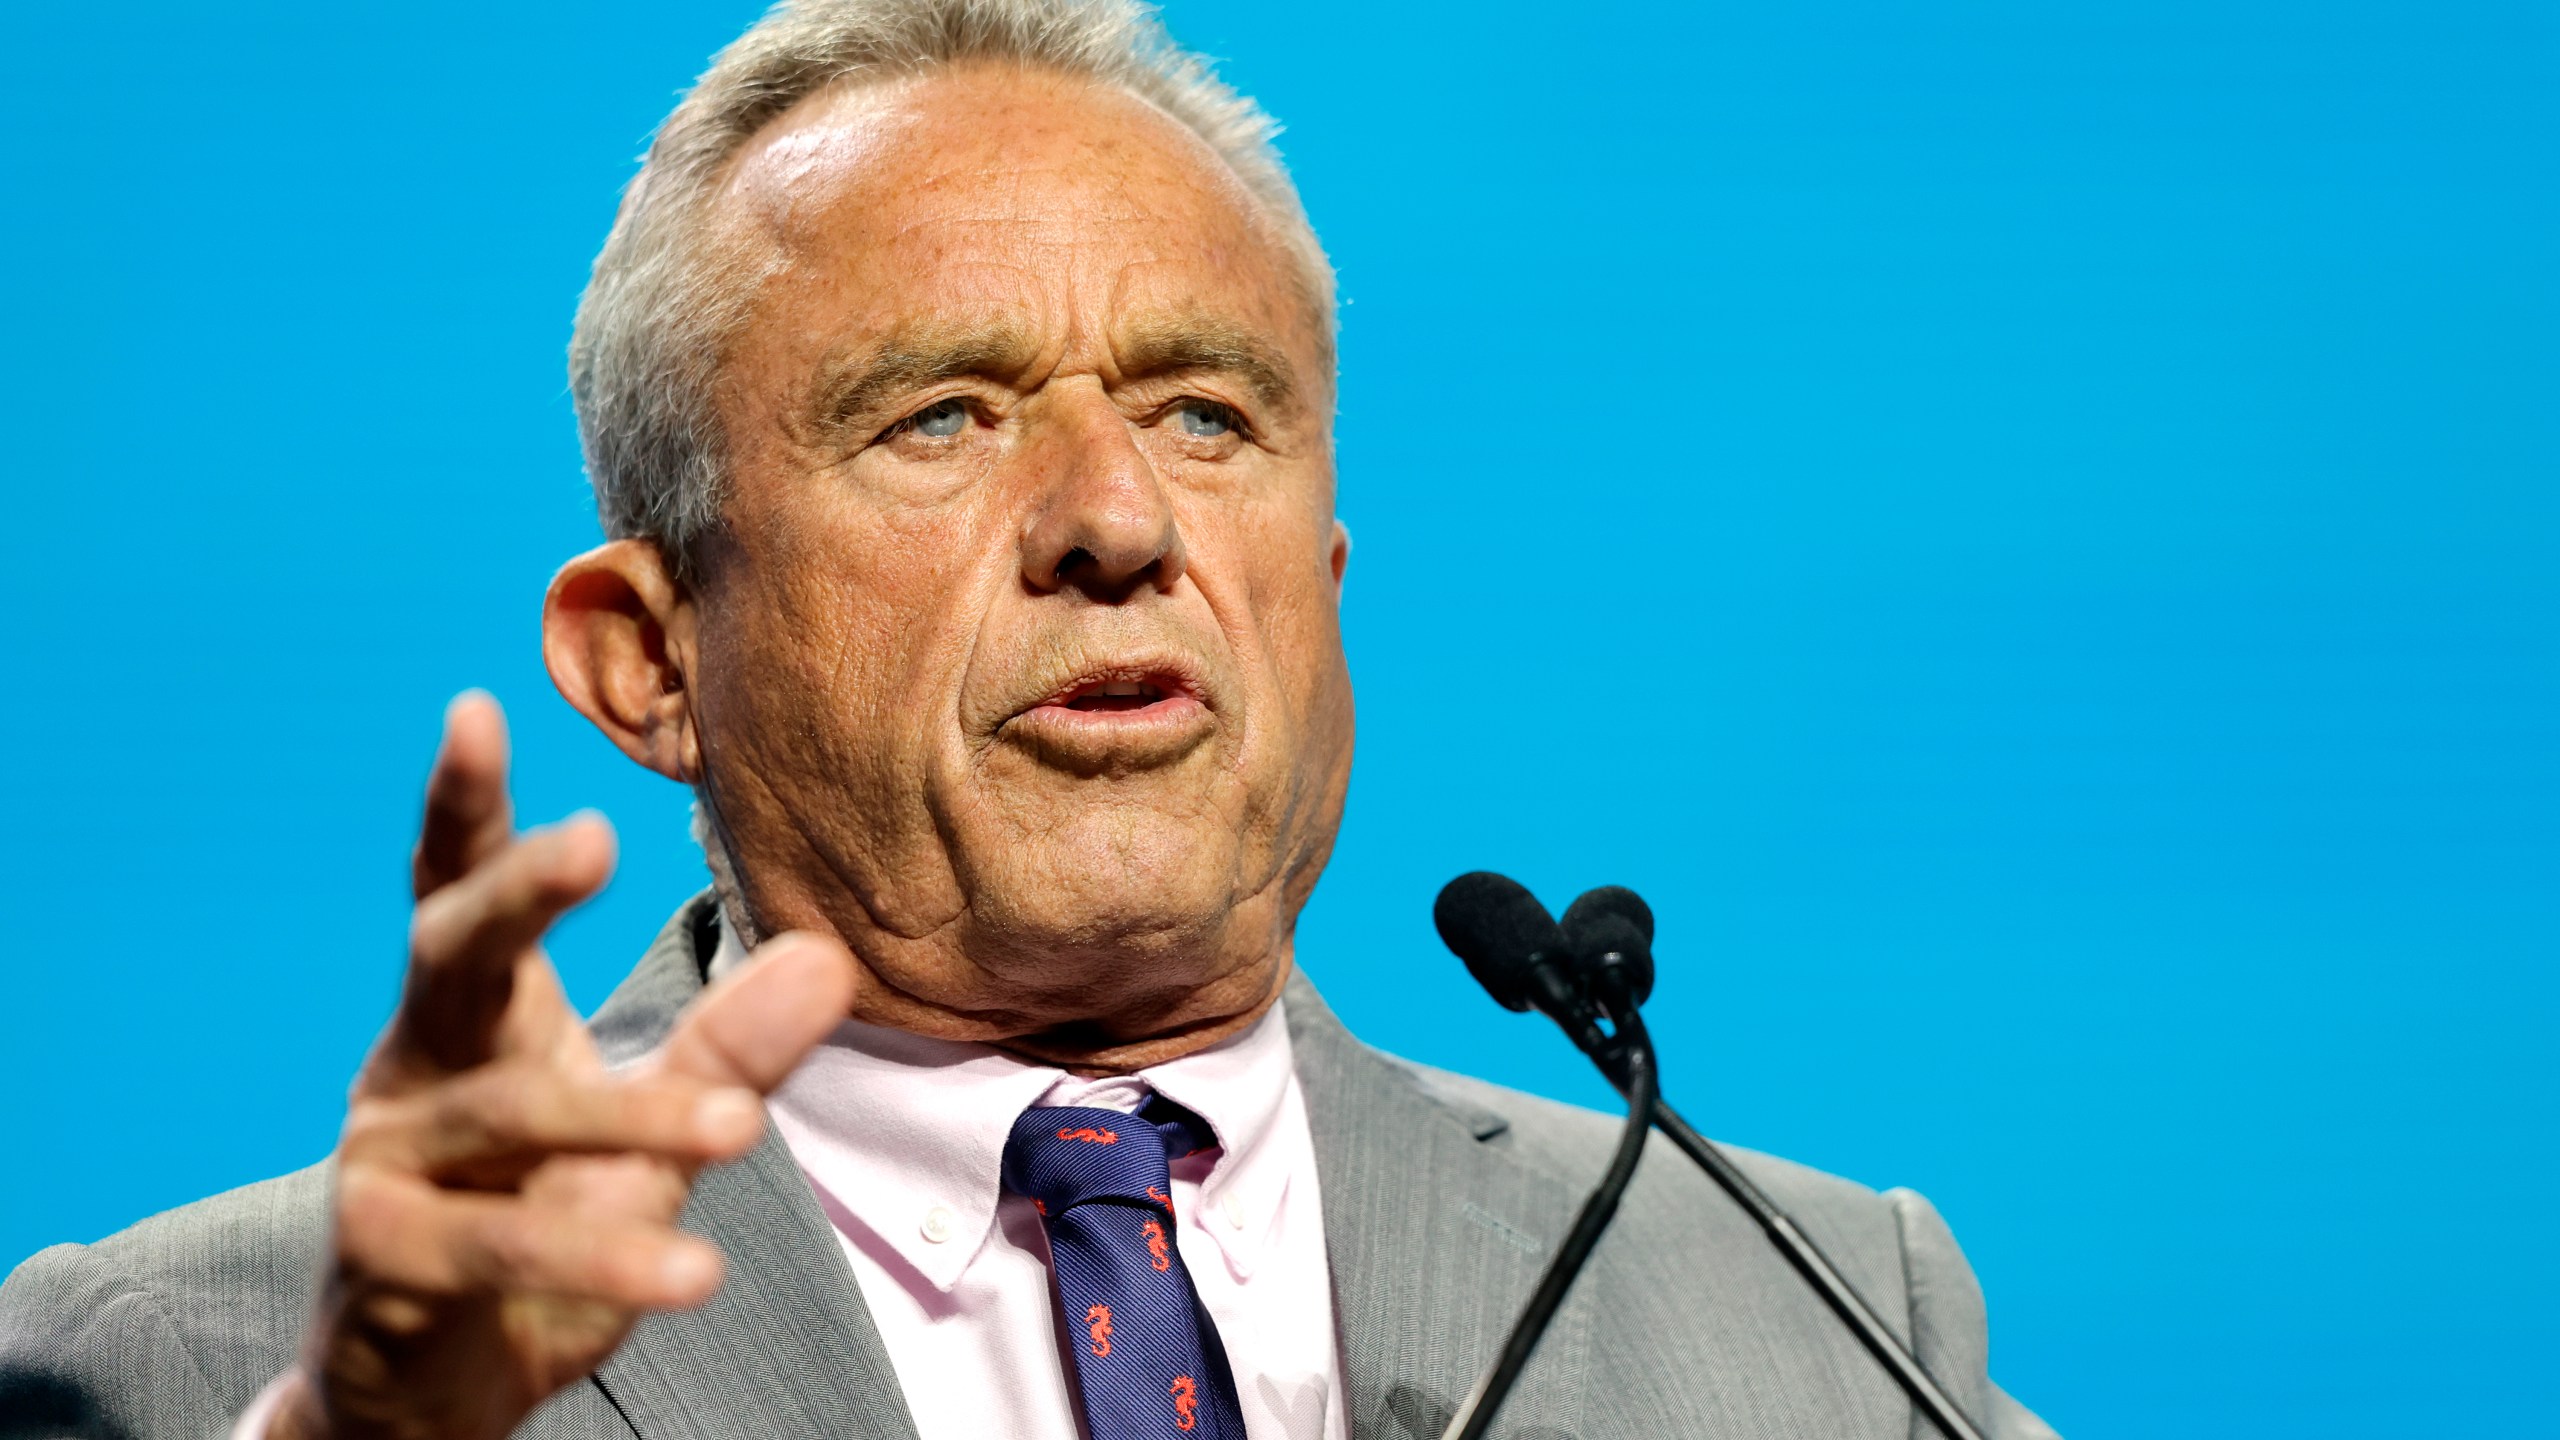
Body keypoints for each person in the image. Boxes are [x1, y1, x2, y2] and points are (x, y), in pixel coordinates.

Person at [0, 2, 2057, 1436]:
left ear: (1318, 591)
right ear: (651, 659)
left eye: (1200, 412)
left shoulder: (1817, 1314)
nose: (1113, 520)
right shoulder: (177, 1364)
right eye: (938, 418)